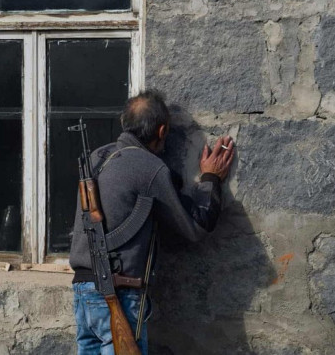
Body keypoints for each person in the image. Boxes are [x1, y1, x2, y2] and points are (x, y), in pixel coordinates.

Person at [69, 89, 235, 354]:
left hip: (83, 291)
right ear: (162, 131)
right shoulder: (149, 167)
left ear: (125, 123)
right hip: (119, 293)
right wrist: (210, 179)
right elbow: (196, 226)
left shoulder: (96, 158)